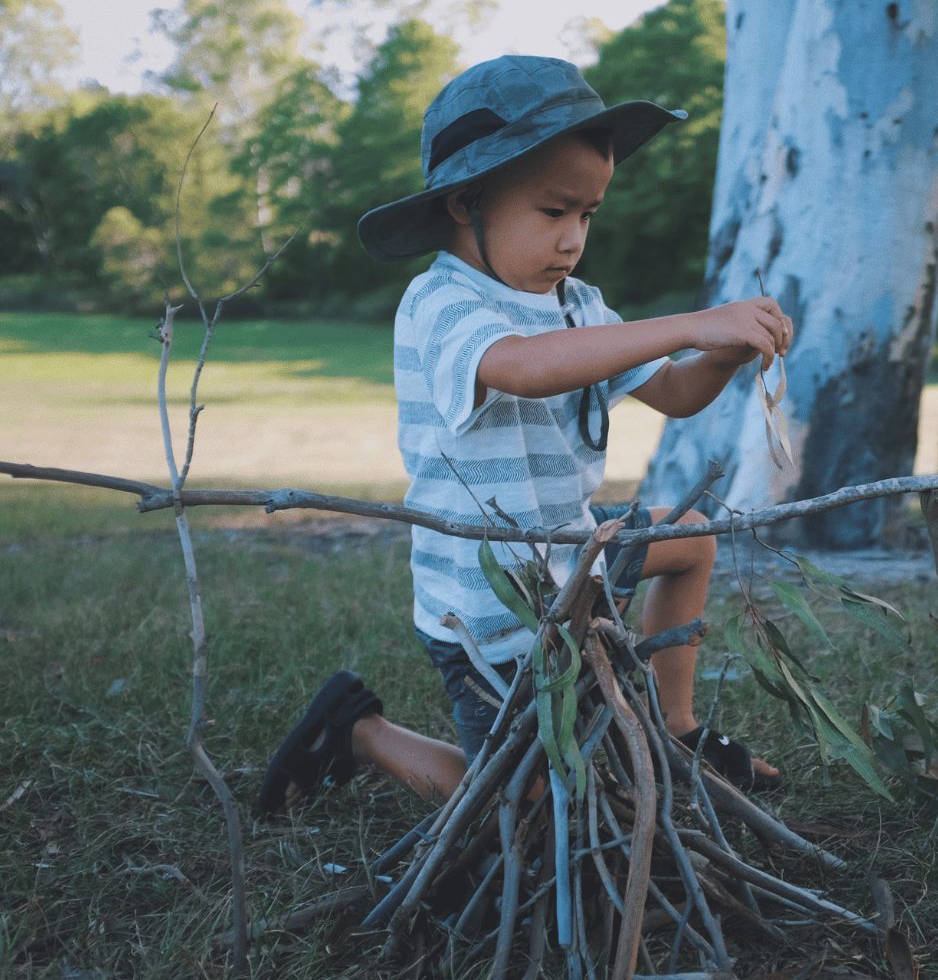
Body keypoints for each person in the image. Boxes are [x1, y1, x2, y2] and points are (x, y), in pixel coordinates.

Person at [258, 55, 791, 816]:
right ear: (466, 201)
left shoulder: (580, 305)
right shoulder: (442, 301)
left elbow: (674, 394)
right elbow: (521, 367)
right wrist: (687, 321)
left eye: (588, 216)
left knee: (692, 537)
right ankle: (361, 733)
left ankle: (676, 728)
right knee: (529, 807)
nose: (573, 239)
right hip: (488, 605)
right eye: (553, 212)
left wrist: (723, 354)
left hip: (572, 555)